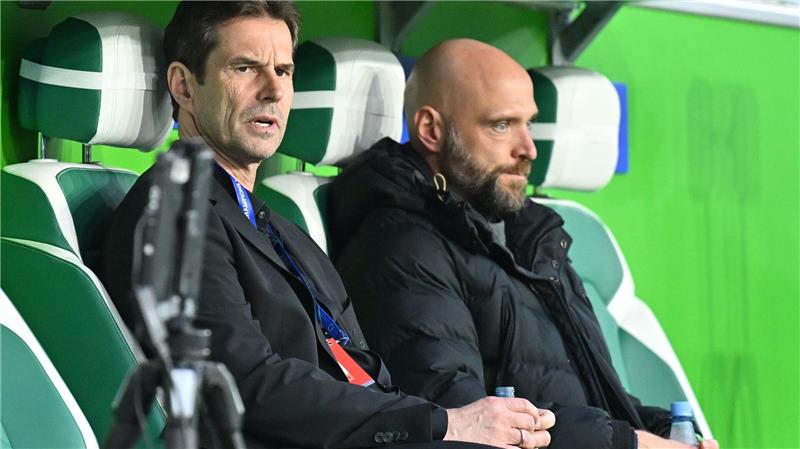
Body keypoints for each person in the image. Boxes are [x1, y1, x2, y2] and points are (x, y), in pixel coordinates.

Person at [102, 3, 555, 449]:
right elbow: (243, 385)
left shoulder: (275, 224)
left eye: (283, 71)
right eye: (244, 68)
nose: (272, 91)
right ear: (183, 86)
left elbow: (361, 368)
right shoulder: (175, 214)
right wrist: (442, 424)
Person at [328, 39, 719, 449]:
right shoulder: (402, 247)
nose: (528, 149)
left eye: (529, 123)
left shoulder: (524, 235)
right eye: (501, 125)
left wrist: (669, 435)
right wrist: (632, 443)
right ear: (431, 130)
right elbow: (460, 415)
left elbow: (592, 394)